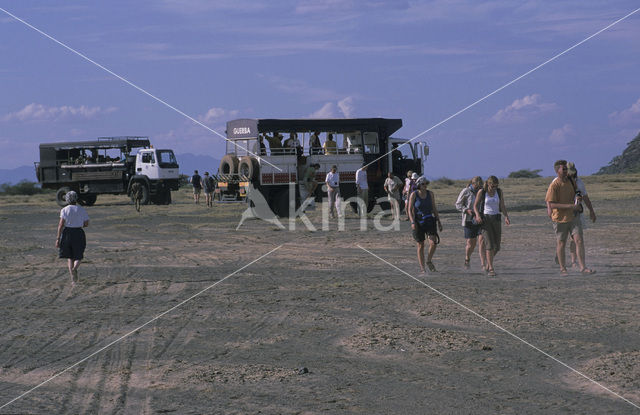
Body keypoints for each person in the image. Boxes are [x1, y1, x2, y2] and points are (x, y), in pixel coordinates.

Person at [545, 160, 594, 275]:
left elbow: (577, 192)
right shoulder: (554, 185)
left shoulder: (572, 181)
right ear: (558, 171)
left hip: (573, 216)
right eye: (564, 169)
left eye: (566, 169)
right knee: (561, 242)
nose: (566, 171)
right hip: (559, 218)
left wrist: (578, 199)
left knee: (579, 240)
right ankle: (563, 268)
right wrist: (570, 206)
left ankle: (583, 267)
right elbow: (551, 203)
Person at [473, 176, 510, 276]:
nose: (494, 188)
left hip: (496, 218)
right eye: (492, 186)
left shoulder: (499, 192)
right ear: (488, 184)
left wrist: (506, 216)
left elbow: (502, 205)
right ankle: (491, 268)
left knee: (497, 246)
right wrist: (477, 215)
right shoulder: (482, 192)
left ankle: (488, 263)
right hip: (486, 219)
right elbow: (475, 206)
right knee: (489, 244)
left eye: (496, 186)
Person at [408, 177, 443, 273]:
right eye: (423, 184)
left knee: (433, 243)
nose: (425, 185)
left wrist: (439, 221)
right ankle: (422, 269)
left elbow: (434, 208)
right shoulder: (413, 195)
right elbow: (409, 210)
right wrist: (412, 222)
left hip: (429, 220)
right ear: (419, 185)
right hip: (418, 222)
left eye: (426, 184)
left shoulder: (430, 194)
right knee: (421, 244)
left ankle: (428, 260)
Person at [55, 191, 89, 287]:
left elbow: (61, 224)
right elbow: (86, 223)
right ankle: (75, 268)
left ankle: (73, 280)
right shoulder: (81, 209)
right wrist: (78, 224)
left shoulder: (64, 210)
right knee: (78, 255)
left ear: (67, 199)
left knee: (70, 257)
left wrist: (58, 238)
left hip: (67, 233)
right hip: (78, 233)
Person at [567, 162, 597, 268]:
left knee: (576, 238)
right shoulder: (558, 182)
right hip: (564, 214)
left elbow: (585, 197)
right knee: (566, 239)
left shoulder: (579, 182)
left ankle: (576, 262)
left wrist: (591, 211)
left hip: (577, 213)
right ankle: (568, 259)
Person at [456, 176, 486, 270]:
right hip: (469, 220)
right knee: (471, 243)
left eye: (480, 186)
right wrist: (466, 210)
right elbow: (458, 204)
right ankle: (467, 259)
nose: (478, 188)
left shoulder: (482, 192)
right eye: (477, 186)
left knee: (482, 241)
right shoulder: (466, 191)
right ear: (473, 184)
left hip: (480, 219)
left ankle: (483, 264)